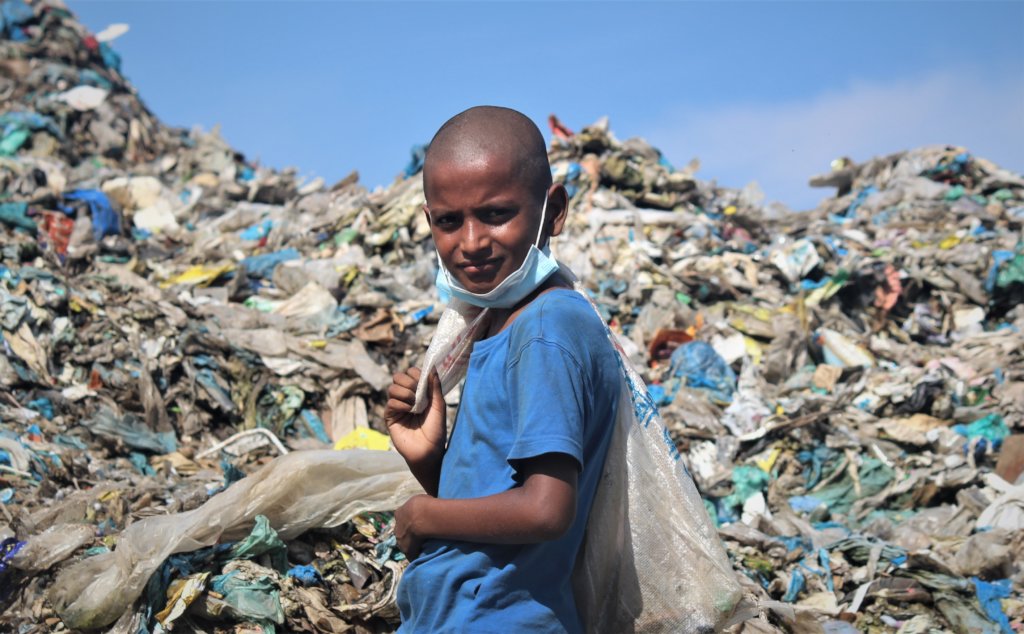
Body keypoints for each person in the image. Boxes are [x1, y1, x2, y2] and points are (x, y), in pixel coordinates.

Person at [384, 106, 621, 633]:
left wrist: (423, 513)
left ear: (553, 209)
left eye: (495, 214)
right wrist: (431, 461)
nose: (470, 242)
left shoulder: (543, 329)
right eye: (449, 221)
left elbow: (545, 510)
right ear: (429, 222)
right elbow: (498, 500)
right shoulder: (501, 322)